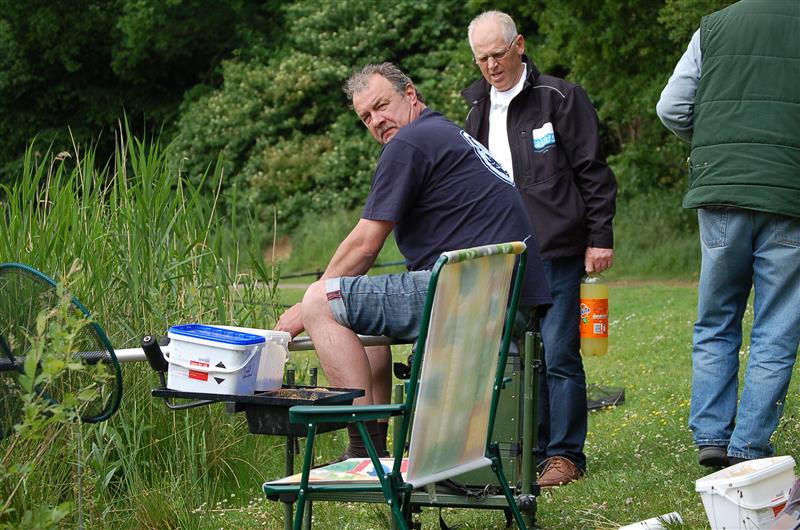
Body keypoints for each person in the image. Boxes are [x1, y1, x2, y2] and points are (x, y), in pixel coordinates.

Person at [275, 62, 552, 460]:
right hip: (507, 294)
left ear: (410, 94)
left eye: (381, 105)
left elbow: (365, 244)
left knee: (322, 301)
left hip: (468, 291)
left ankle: (362, 450)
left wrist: (306, 305)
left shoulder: (410, 142)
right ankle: (372, 447)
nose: (376, 121)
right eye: (366, 117)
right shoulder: (444, 133)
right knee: (355, 307)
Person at [462, 11, 617, 487]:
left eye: (498, 54)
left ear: (520, 46)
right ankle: (526, 452)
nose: (491, 65)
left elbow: (593, 170)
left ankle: (565, 456)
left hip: (558, 248)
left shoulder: (560, 98)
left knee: (559, 354)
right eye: (482, 58)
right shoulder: (476, 110)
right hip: (503, 255)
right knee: (515, 359)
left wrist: (599, 236)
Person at [656, 0, 800, 468]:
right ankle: (749, 444)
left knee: (716, 319)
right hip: (789, 197)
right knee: (776, 328)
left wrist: (718, 145)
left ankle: (712, 437)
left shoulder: (712, 28)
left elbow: (671, 107)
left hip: (720, 192)